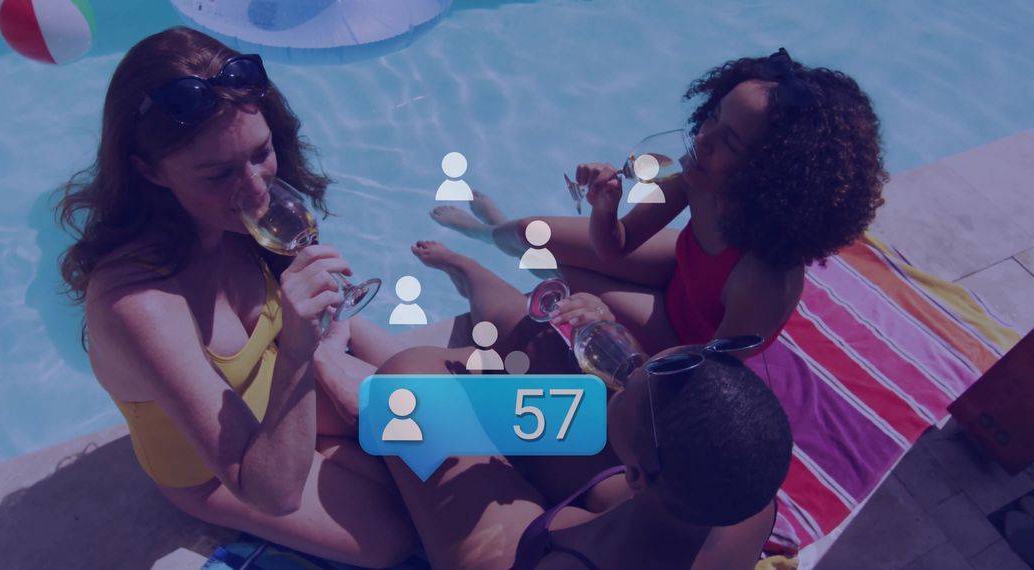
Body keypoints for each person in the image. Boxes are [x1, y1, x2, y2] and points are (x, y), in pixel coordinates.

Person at [56, 27, 416, 567]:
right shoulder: (142, 302)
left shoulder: (240, 223)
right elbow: (270, 490)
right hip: (223, 471)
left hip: (285, 399)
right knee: (399, 539)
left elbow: (330, 320)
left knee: (443, 435)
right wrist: (299, 349)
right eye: (218, 173)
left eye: (261, 152)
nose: (255, 188)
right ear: (150, 171)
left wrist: (407, 370)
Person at [430, 48, 888, 356]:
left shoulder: (763, 278)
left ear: (774, 174)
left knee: (557, 283)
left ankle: (476, 259)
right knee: (532, 234)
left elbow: (708, 376)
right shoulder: (699, 177)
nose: (704, 137)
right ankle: (489, 230)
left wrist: (612, 326)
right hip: (679, 273)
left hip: (683, 334)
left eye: (728, 140)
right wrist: (606, 208)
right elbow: (615, 245)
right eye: (711, 115)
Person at [373, 343, 794, 569]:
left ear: (636, 475)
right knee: (530, 389)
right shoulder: (750, 503)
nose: (630, 370)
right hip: (644, 530)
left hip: (522, 557)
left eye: (629, 385)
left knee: (403, 381)